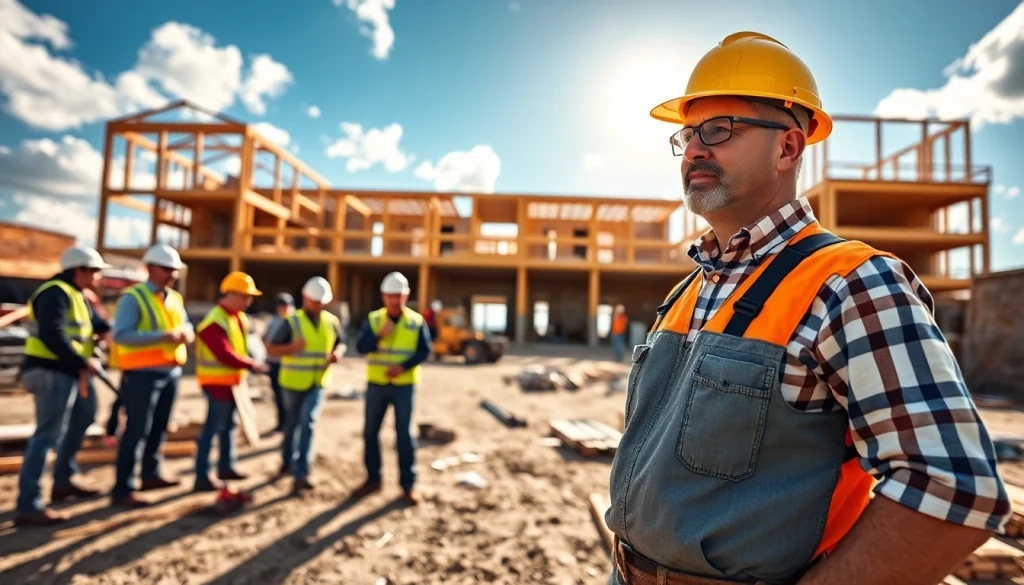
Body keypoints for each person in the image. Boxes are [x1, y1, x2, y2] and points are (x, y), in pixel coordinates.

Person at [605, 31, 1012, 585]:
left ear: (789, 148)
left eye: (720, 129)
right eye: (688, 134)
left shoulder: (852, 284)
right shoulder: (691, 290)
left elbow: (953, 486)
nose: (696, 148)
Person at [14, 246, 112, 526]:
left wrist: (104, 329)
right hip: (50, 371)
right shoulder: (54, 292)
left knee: (84, 417)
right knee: (47, 434)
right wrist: (83, 360)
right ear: (78, 270)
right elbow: (52, 335)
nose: (98, 277)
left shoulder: (78, 296)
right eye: (94, 271)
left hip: (70, 372)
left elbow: (93, 322)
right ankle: (28, 504)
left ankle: (63, 480)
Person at [110, 243, 193, 508]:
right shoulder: (132, 298)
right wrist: (163, 337)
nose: (172, 274)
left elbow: (185, 323)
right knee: (137, 430)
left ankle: (151, 474)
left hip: (170, 372)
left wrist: (187, 333)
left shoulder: (174, 299)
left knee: (159, 427)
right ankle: (124, 488)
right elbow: (121, 336)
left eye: (175, 270)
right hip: (141, 375)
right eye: (167, 269)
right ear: (150, 268)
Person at [351, 271, 432, 505]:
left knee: (404, 435)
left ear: (406, 296)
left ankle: (408, 485)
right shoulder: (374, 320)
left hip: (404, 385)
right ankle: (373, 479)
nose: (395, 301)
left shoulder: (416, 321)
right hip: (377, 384)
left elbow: (424, 351)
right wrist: (378, 336)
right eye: (390, 296)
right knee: (370, 432)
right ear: (383, 296)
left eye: (399, 296)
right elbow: (361, 347)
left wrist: (403, 367)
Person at [265, 276, 345, 492]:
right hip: (292, 383)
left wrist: (337, 353)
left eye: (321, 301)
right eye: (313, 301)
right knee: (291, 425)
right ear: (305, 298)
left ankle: (302, 473)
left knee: (308, 422)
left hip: (318, 381)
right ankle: (287, 462)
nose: (317, 305)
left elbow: (341, 343)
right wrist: (292, 348)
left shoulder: (332, 322)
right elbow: (271, 349)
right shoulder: (292, 321)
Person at [192, 272, 269, 491]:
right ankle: (202, 476)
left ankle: (226, 466)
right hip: (216, 383)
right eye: (245, 296)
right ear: (232, 294)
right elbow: (224, 353)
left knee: (228, 426)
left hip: (233, 382)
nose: (249, 301)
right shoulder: (214, 321)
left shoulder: (237, 317)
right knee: (213, 428)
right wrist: (251, 364)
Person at [262, 293, 294, 433]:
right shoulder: (274, 321)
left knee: (288, 397)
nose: (283, 309)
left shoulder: (295, 321)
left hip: (288, 364)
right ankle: (281, 423)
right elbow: (266, 337)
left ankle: (288, 423)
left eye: (286, 306)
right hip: (273, 362)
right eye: (281, 306)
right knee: (278, 395)